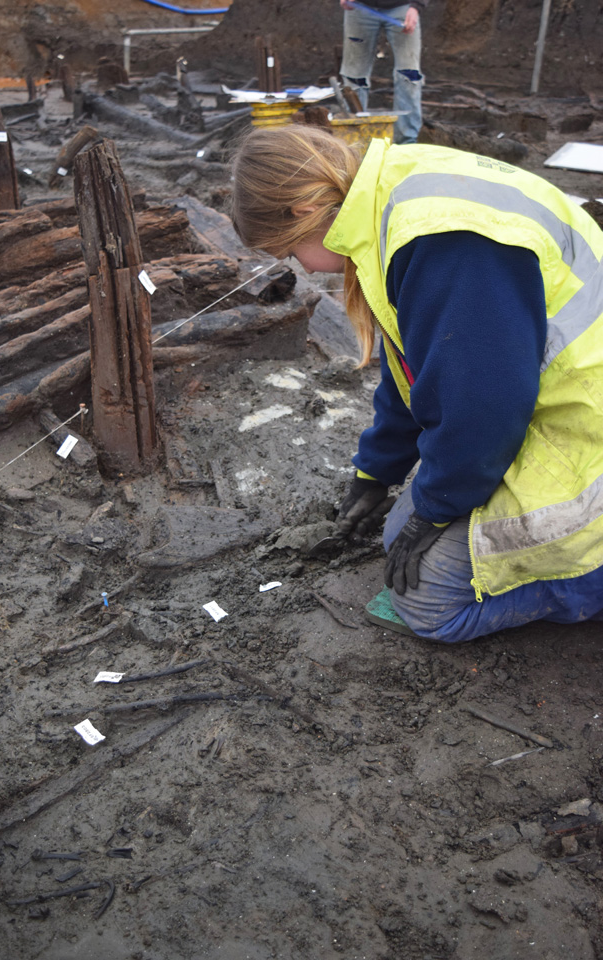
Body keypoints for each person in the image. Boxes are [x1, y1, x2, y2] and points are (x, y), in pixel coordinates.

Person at [230, 124, 603, 644]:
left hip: (585, 437)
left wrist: (434, 507)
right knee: (397, 533)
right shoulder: (388, 187)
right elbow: (420, 363)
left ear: (300, 211)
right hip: (550, 401)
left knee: (425, 601)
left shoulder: (440, 239)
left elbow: (484, 408)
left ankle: (587, 583)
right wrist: (377, 470)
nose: (301, 268)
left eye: (290, 252)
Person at [339, 0, 429, 144]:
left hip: (403, 8)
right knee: (354, 76)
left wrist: (416, 6)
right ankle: (354, 141)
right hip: (360, 7)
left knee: (409, 75)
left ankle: (407, 144)